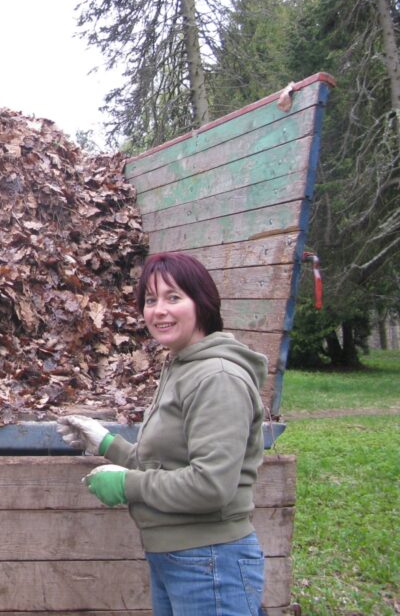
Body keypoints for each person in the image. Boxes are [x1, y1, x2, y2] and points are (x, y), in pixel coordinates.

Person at [58, 252, 269, 616]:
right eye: (150, 300)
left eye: (174, 297)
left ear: (201, 303)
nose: (159, 310)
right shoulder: (182, 366)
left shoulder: (217, 378)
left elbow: (211, 486)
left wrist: (128, 485)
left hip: (211, 563)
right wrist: (109, 445)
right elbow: (167, 464)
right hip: (178, 560)